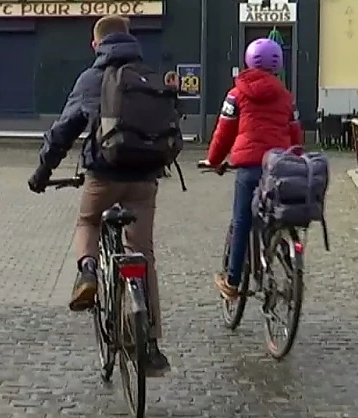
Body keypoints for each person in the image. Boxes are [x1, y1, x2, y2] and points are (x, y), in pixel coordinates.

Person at [27, 14, 171, 377]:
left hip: (103, 176)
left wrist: (42, 173)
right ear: (130, 38)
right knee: (143, 254)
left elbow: (62, 131)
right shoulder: (146, 75)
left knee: (88, 220)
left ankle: (88, 272)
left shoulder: (91, 78)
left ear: (96, 44)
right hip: (144, 179)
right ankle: (150, 343)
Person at [202, 38, 303, 300]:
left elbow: (224, 132)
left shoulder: (236, 94)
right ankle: (281, 256)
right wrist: (297, 159)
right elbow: (295, 133)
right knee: (275, 213)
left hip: (248, 166)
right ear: (279, 64)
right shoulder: (285, 97)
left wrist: (214, 160)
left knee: (241, 222)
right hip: (279, 165)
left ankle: (233, 281)